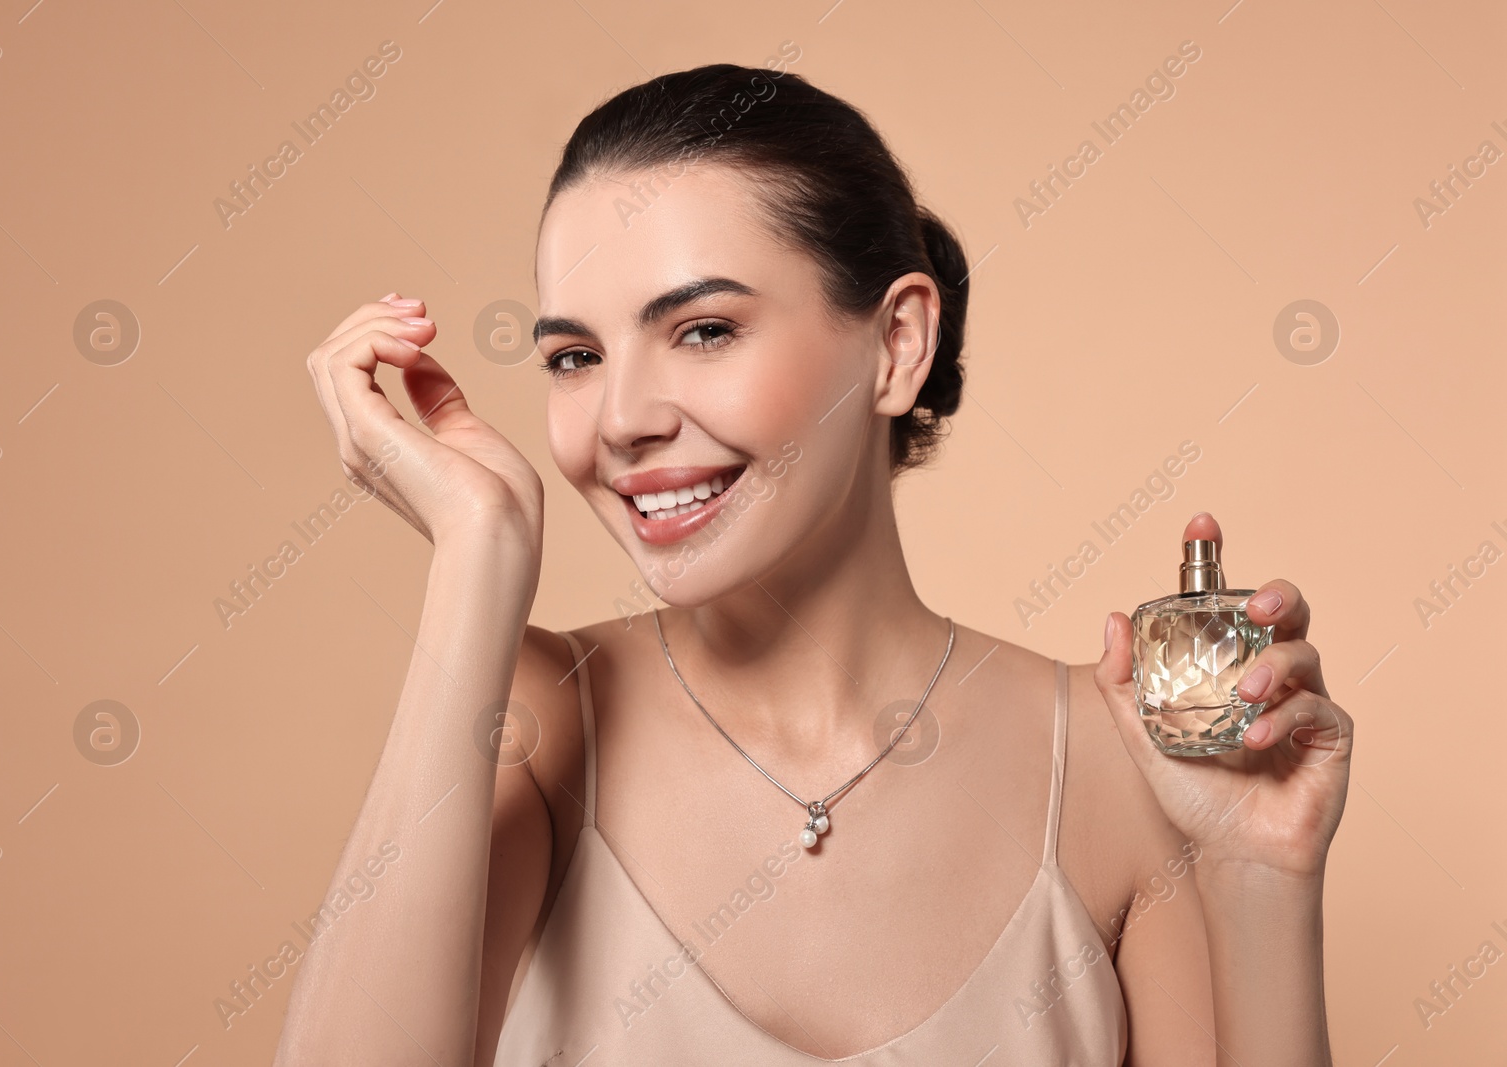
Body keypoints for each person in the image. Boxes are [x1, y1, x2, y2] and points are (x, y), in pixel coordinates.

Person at [278, 63, 1351, 1067]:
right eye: (574, 357)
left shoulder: (1118, 770)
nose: (621, 420)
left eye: (701, 330)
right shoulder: (534, 728)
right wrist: (478, 551)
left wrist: (1261, 878)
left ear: (895, 345)